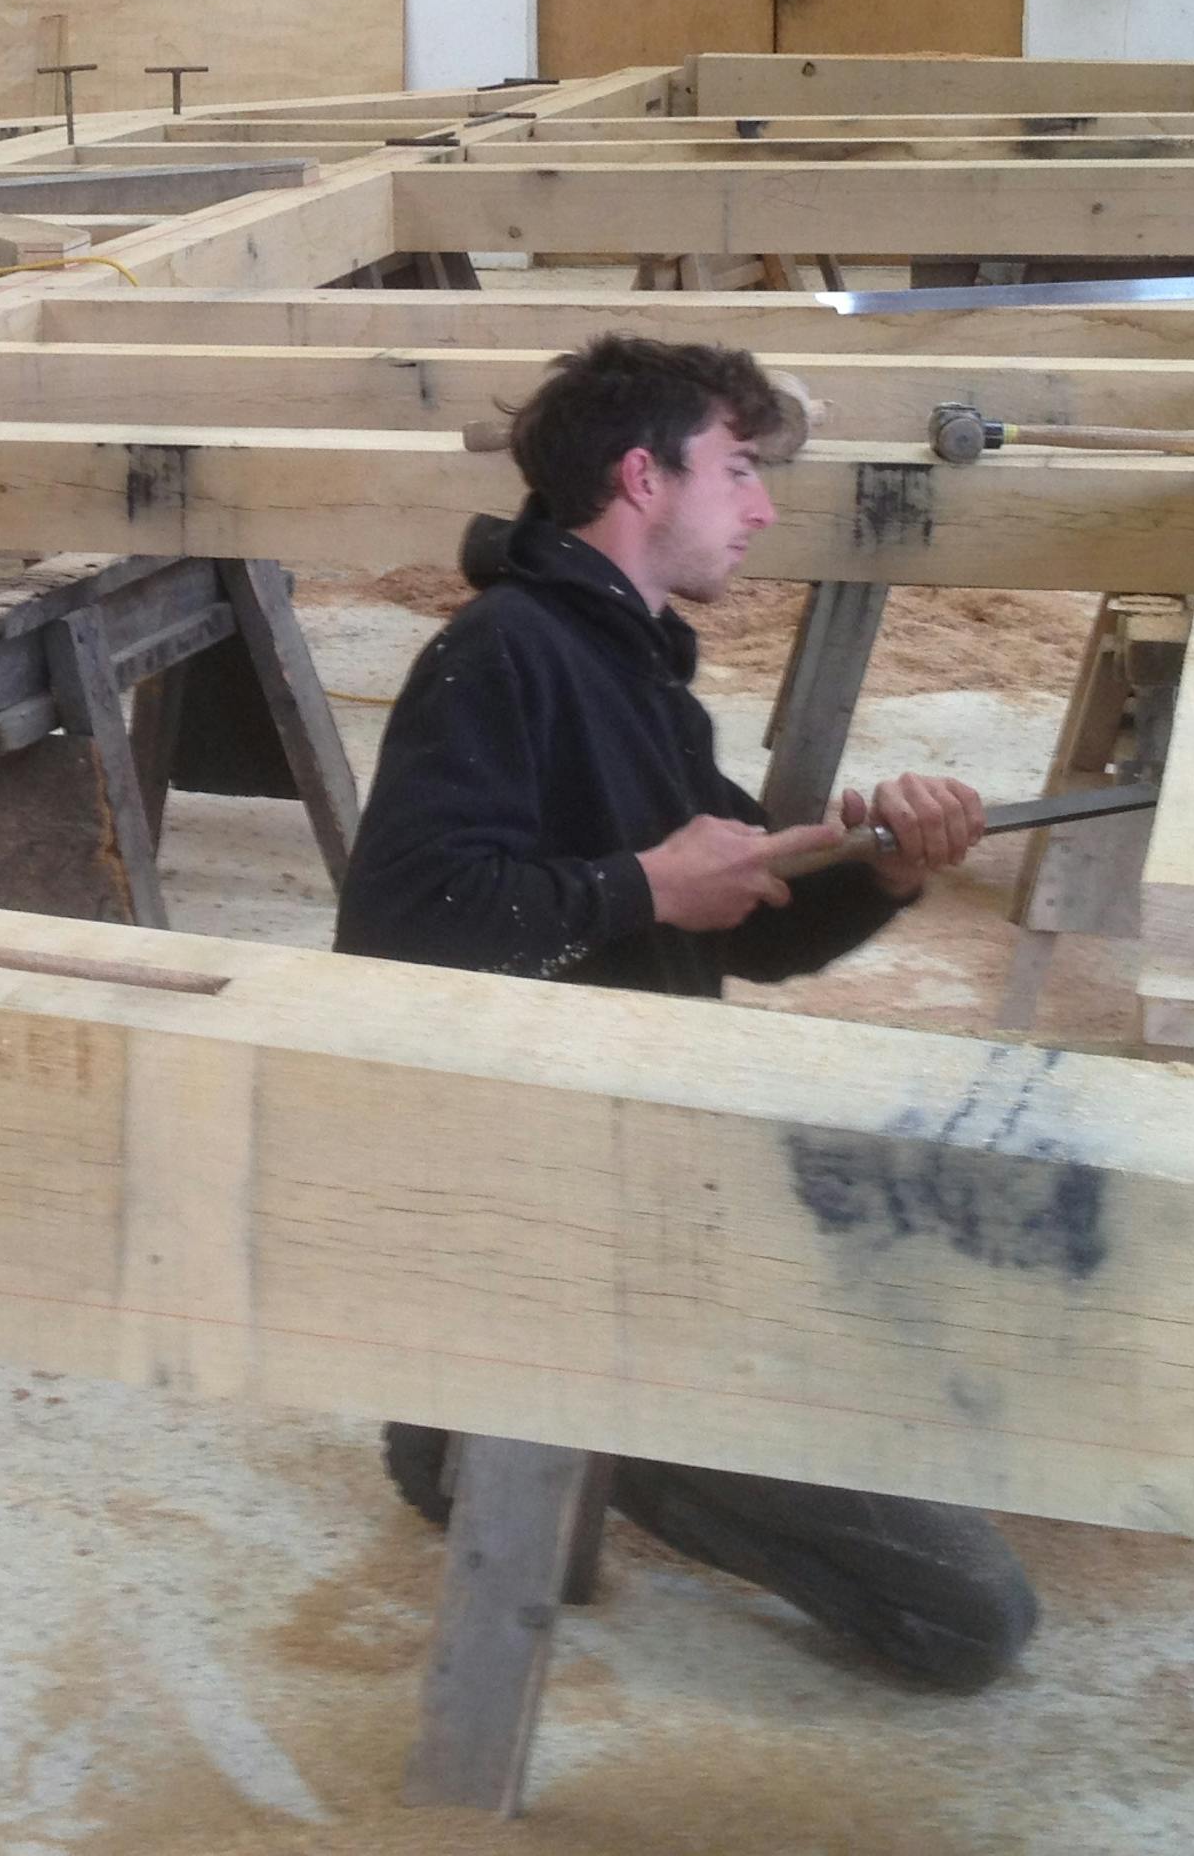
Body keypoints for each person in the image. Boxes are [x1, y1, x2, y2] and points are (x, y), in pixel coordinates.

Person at [335, 331, 1041, 1691]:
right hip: (554, 1219)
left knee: (934, 1338)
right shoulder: (502, 653)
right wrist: (645, 884)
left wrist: (885, 866)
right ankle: (525, 1418)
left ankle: (483, 1423)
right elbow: (403, 925)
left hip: (653, 1168)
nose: (762, 508)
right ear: (641, 477)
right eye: (737, 469)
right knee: (970, 1616)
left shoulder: (632, 668)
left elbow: (750, 922)